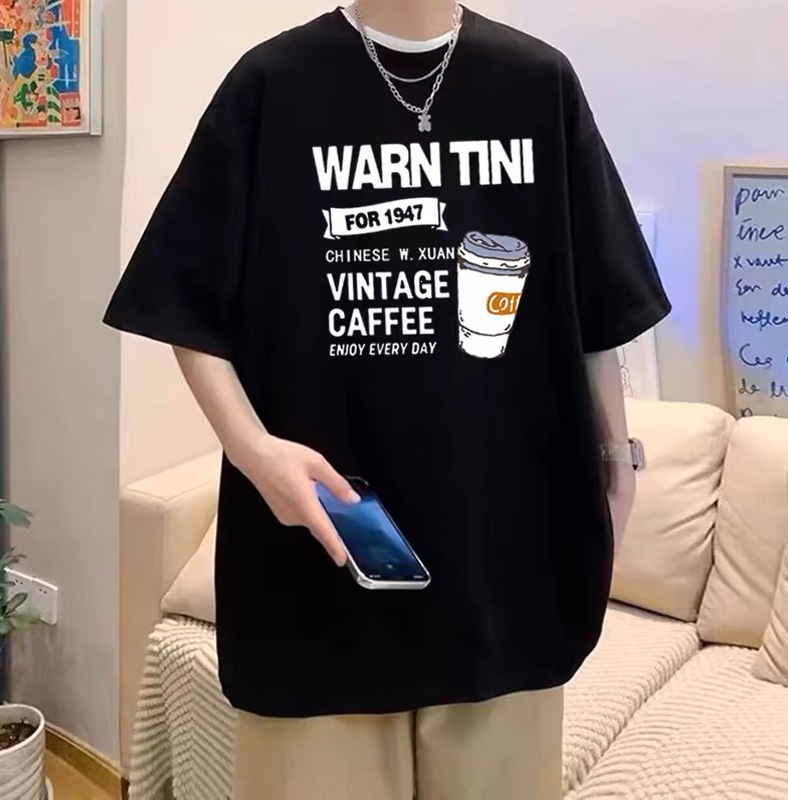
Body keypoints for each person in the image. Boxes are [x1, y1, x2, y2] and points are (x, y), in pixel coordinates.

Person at [104, 1, 671, 798]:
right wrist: (251, 449)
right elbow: (181, 299)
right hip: (319, 562)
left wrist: (618, 461)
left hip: (502, 563)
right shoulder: (272, 84)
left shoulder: (537, 83)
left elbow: (597, 307)